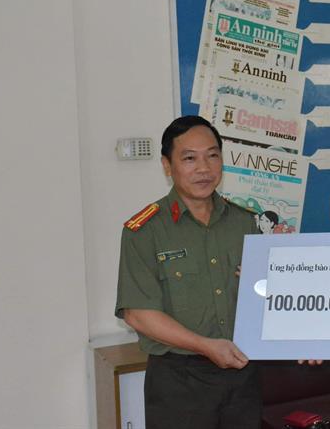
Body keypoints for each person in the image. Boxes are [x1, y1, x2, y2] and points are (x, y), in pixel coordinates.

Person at [115, 115, 261, 429]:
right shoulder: (145, 231)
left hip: (243, 376)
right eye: (190, 158)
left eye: (212, 156)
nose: (204, 168)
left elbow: (266, 293)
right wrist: (206, 346)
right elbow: (138, 314)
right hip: (179, 382)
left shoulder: (245, 222)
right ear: (167, 166)